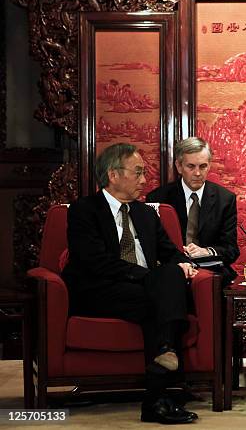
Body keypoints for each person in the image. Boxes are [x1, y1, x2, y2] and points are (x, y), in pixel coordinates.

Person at [62, 143, 199, 425]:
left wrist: (185, 264)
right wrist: (150, 278)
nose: (144, 180)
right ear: (113, 175)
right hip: (98, 290)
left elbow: (169, 252)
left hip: (141, 291)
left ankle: (161, 369)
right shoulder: (83, 211)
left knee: (170, 277)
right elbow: (96, 263)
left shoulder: (146, 214)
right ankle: (158, 392)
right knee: (161, 294)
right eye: (137, 173)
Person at [147, 137, 239, 284]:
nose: (197, 173)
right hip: (172, 270)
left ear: (209, 166)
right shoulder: (158, 198)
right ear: (179, 166)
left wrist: (206, 251)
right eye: (191, 166)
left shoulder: (225, 199)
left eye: (203, 166)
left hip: (211, 271)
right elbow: (151, 246)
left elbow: (231, 249)